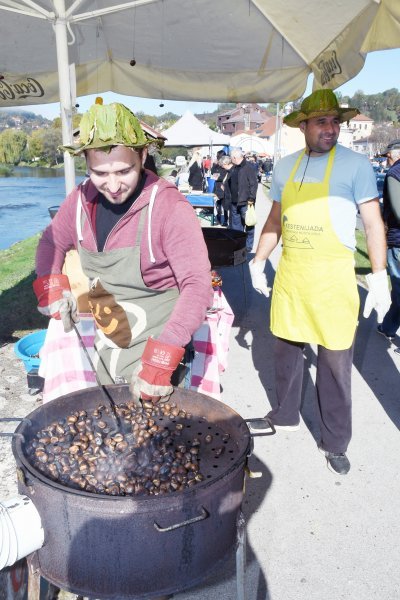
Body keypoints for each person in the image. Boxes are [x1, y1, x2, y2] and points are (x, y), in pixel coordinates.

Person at [33, 99, 213, 404]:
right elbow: (51, 240)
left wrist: (159, 362)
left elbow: (197, 286)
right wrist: (51, 287)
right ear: (86, 164)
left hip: (160, 343)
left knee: (161, 436)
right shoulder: (79, 201)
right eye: (99, 173)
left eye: (124, 171)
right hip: (109, 339)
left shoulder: (169, 208)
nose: (113, 185)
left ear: (143, 155)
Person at [249, 89, 391, 475]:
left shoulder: (357, 165)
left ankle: (335, 441)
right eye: (323, 122)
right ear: (304, 126)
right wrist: (258, 260)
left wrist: (379, 276)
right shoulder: (285, 167)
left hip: (333, 280)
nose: (332, 129)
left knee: (334, 364)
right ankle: (283, 414)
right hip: (293, 275)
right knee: (286, 353)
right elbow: (275, 219)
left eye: (336, 122)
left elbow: (373, 222)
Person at [377, 139, 400, 341]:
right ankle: (388, 326)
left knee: (399, 290)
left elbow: (398, 211)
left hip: (398, 241)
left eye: (388, 155)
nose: (387, 160)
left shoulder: (394, 174)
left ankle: (388, 327)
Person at [224, 148, 258, 252]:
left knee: (249, 225)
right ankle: (238, 246)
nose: (230, 160)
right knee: (236, 227)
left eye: (231, 158)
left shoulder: (248, 167)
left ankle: (248, 247)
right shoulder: (234, 167)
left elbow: (254, 184)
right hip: (234, 202)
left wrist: (251, 198)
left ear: (234, 157)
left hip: (246, 202)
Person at [211, 154, 232, 226]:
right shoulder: (217, 167)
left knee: (225, 206)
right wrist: (214, 164)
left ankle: (226, 220)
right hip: (217, 187)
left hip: (223, 188)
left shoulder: (226, 168)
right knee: (218, 205)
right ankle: (219, 219)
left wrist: (217, 177)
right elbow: (213, 174)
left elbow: (222, 178)